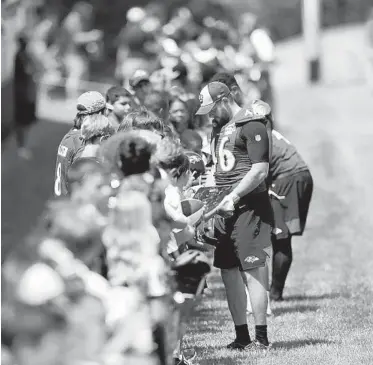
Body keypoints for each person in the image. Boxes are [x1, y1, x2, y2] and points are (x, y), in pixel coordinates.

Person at [196, 81, 273, 350]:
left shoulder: (251, 123)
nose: (209, 116)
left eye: (211, 109)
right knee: (228, 270)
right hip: (223, 209)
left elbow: (260, 169)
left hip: (249, 206)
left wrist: (234, 196)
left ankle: (261, 338)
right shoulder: (219, 129)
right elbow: (217, 169)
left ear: (224, 100)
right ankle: (241, 335)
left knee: (252, 268)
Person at [268, 129, 313, 301]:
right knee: (280, 238)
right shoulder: (253, 125)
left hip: (288, 178)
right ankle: (274, 293)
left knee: (281, 238)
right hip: (296, 176)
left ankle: (275, 294)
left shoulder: (245, 130)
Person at [54, 91, 110, 197]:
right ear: (99, 113)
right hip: (77, 200)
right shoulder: (77, 140)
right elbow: (65, 180)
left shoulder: (69, 137)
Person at [14, 35, 38, 159]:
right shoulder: (21, 57)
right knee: (22, 121)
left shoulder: (25, 56)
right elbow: (30, 71)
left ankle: (24, 145)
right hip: (23, 93)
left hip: (27, 92)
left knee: (25, 121)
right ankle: (21, 147)